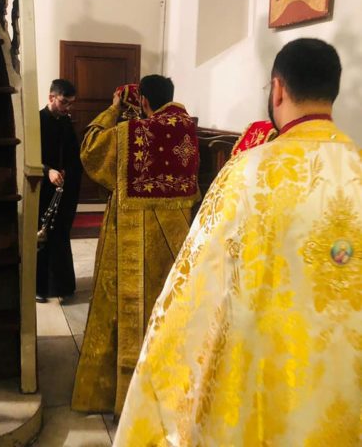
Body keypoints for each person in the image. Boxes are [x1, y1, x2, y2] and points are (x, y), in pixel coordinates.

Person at [114, 39, 362, 446]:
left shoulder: (248, 171)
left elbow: (196, 285)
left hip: (265, 371)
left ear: (277, 88)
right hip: (344, 383)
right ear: (332, 90)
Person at [71, 75, 200, 415]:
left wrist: (114, 109)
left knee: (127, 308)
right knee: (168, 308)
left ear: (143, 100)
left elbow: (91, 149)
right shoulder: (188, 129)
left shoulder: (132, 133)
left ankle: (122, 394)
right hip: (176, 240)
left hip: (133, 235)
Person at [36, 79, 82, 303]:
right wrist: (48, 171)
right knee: (42, 235)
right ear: (51, 97)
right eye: (64, 102)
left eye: (71, 103)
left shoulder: (66, 122)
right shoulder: (37, 121)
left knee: (61, 235)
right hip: (43, 187)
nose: (67, 108)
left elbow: (74, 156)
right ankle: (40, 288)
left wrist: (67, 172)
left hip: (63, 188)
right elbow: (30, 155)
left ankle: (62, 286)